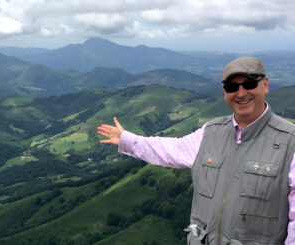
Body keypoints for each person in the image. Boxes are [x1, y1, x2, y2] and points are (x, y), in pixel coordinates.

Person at [97, 56, 295, 245]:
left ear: (265, 85)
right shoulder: (210, 132)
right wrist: (127, 140)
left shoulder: (290, 141)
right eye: (232, 87)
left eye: (249, 84)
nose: (241, 93)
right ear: (224, 91)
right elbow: (171, 149)